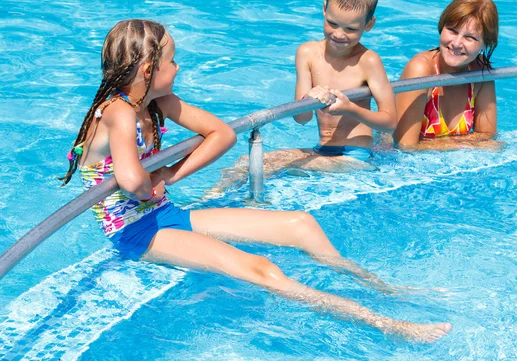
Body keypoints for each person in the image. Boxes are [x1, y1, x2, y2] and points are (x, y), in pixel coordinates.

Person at [58, 19, 450, 343]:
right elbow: (130, 180)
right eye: (173, 61)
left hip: (163, 213)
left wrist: (168, 174)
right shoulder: (119, 112)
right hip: (134, 232)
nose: (178, 68)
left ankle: (381, 289)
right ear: (149, 71)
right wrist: (149, 184)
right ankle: (390, 327)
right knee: (260, 269)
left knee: (300, 224)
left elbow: (223, 134)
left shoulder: (156, 103)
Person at [212, 0, 396, 191]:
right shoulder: (307, 53)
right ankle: (210, 198)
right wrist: (308, 99)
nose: (339, 34)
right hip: (321, 150)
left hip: (355, 157)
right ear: (324, 9)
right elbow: (301, 118)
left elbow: (390, 121)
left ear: (369, 25)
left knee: (268, 165)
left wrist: (351, 109)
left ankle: (251, 203)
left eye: (351, 29)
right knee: (245, 161)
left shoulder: (368, 61)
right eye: (332, 23)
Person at [392, 0, 500, 150]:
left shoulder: (480, 70)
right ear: (441, 28)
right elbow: (405, 146)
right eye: (452, 31)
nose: (456, 43)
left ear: (485, 44)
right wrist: (462, 144)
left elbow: (487, 137)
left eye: (470, 38)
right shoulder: (421, 70)